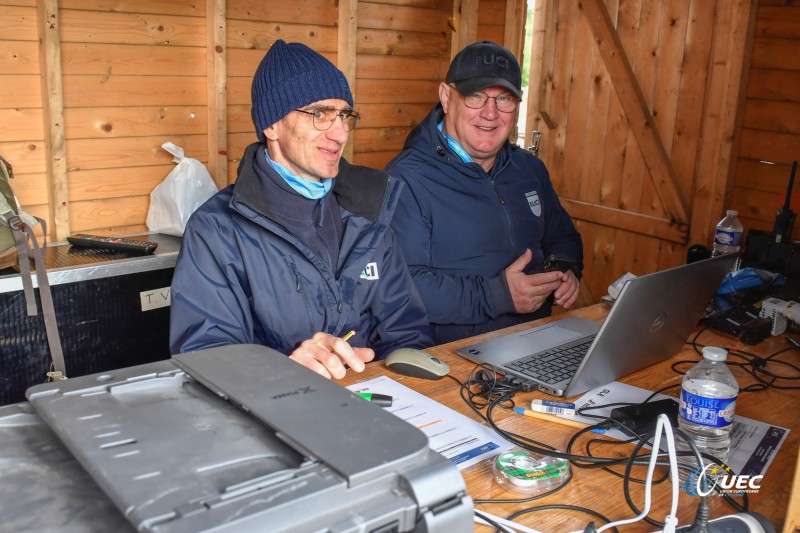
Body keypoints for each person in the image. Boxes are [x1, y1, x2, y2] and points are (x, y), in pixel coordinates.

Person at [169, 40, 433, 379]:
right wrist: (285, 371)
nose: (339, 134)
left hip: (374, 405)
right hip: (277, 413)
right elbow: (207, 363)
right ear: (272, 126)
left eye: (344, 115)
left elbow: (410, 334)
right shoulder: (217, 230)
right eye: (319, 114)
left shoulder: (367, 211)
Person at [386, 40, 584, 344]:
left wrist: (566, 272)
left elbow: (563, 238)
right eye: (475, 96)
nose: (490, 113)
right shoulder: (407, 180)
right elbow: (401, 285)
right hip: (452, 358)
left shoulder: (529, 169)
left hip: (536, 341)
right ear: (446, 97)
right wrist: (499, 296)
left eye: (504, 99)